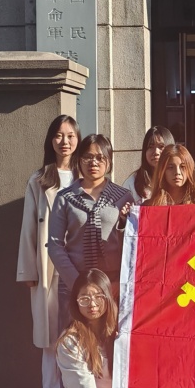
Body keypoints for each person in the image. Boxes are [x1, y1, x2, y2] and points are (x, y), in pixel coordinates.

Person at [143, 144, 195, 388]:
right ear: (160, 171)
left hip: (194, 298)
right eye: (170, 167)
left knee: (190, 366)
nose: (176, 173)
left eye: (182, 167)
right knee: (166, 366)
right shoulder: (149, 207)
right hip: (162, 298)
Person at [17, 115, 80, 388]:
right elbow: (29, 227)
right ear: (51, 140)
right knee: (50, 332)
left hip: (78, 262)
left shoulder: (85, 176)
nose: (65, 141)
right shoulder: (40, 179)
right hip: (48, 264)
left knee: (77, 328)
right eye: (59, 135)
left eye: (70, 135)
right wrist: (27, 271)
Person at [49, 134, 134, 332]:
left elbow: (132, 243)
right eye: (87, 157)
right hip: (75, 282)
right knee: (75, 339)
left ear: (109, 161)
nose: (93, 162)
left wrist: (119, 282)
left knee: (112, 338)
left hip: (112, 284)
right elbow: (54, 244)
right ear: (79, 160)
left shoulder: (123, 197)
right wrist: (77, 284)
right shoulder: (65, 198)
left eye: (100, 157)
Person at [122, 126, 174, 203]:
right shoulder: (132, 183)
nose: (156, 152)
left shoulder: (179, 179)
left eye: (161, 147)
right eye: (151, 147)